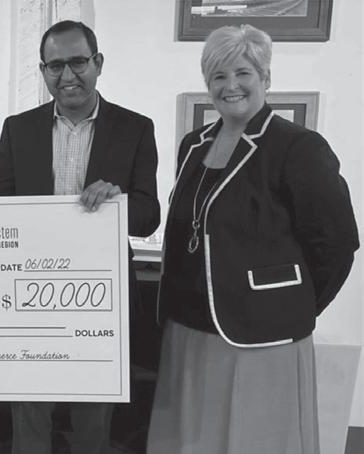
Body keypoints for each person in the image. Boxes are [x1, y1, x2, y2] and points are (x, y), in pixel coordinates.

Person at [147, 25, 358, 454]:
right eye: (218, 76)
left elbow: (337, 245)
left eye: (243, 73)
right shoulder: (193, 144)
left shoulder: (298, 147)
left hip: (262, 338)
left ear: (265, 77)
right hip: (188, 330)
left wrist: (291, 306)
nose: (231, 85)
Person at [0, 20, 160, 454]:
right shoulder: (18, 128)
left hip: (102, 295)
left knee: (93, 419)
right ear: (43, 71)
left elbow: (149, 216)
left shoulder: (135, 128)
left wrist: (118, 202)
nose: (67, 75)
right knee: (30, 411)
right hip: (29, 291)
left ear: (98, 63)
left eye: (78, 62)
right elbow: (1, 201)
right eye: (55, 66)